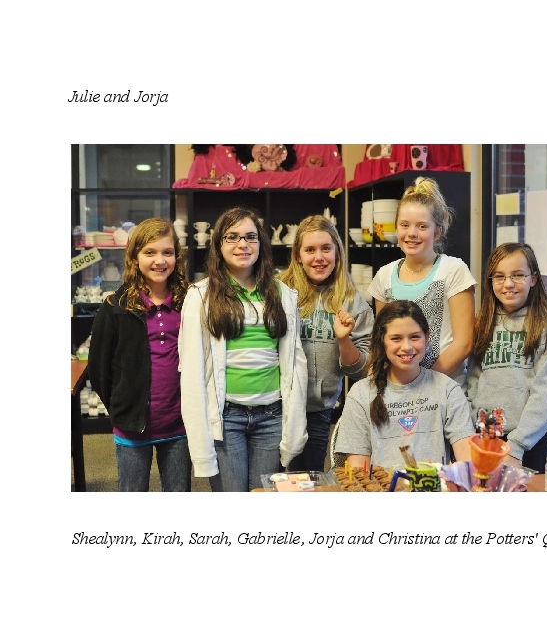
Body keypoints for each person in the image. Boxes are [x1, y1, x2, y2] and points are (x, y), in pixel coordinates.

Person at [178, 207, 307, 491]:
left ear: (261, 243)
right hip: (227, 418)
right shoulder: (201, 296)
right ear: (218, 245)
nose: (242, 244)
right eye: (232, 237)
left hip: (272, 417)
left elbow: (295, 364)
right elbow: (192, 371)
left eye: (250, 237)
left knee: (264, 496)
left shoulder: (282, 294)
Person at [88, 218, 191, 491]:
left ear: (177, 256)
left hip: (180, 426)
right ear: (134, 257)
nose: (160, 261)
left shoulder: (188, 303)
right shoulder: (115, 306)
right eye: (150, 252)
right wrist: (121, 407)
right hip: (132, 427)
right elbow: (99, 370)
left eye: (167, 252)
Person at [278, 215, 373, 471]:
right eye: (310, 250)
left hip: (318, 411)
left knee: (308, 480)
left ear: (337, 252)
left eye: (326, 248)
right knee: (273, 480)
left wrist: (344, 339)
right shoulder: (280, 292)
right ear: (298, 255)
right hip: (276, 408)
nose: (319, 257)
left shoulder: (351, 300)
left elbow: (362, 368)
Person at [466, 242, 547, 471]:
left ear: (533, 278)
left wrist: (517, 445)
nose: (508, 284)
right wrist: (473, 422)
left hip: (529, 442)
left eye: (518, 275)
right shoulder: (484, 321)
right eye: (499, 276)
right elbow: (473, 377)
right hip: (486, 436)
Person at [335, 300, 474, 470]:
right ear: (382, 341)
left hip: (434, 485)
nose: (407, 347)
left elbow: (467, 461)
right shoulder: (361, 393)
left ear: (427, 337)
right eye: (396, 338)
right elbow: (358, 470)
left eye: (415, 337)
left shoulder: (447, 389)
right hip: (381, 486)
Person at [368, 177, 476, 387]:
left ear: (437, 232)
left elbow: (464, 343)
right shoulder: (384, 275)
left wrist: (421, 384)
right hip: (397, 389)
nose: (412, 233)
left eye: (422, 226)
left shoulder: (453, 270)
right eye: (404, 225)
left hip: (444, 389)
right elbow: (382, 338)